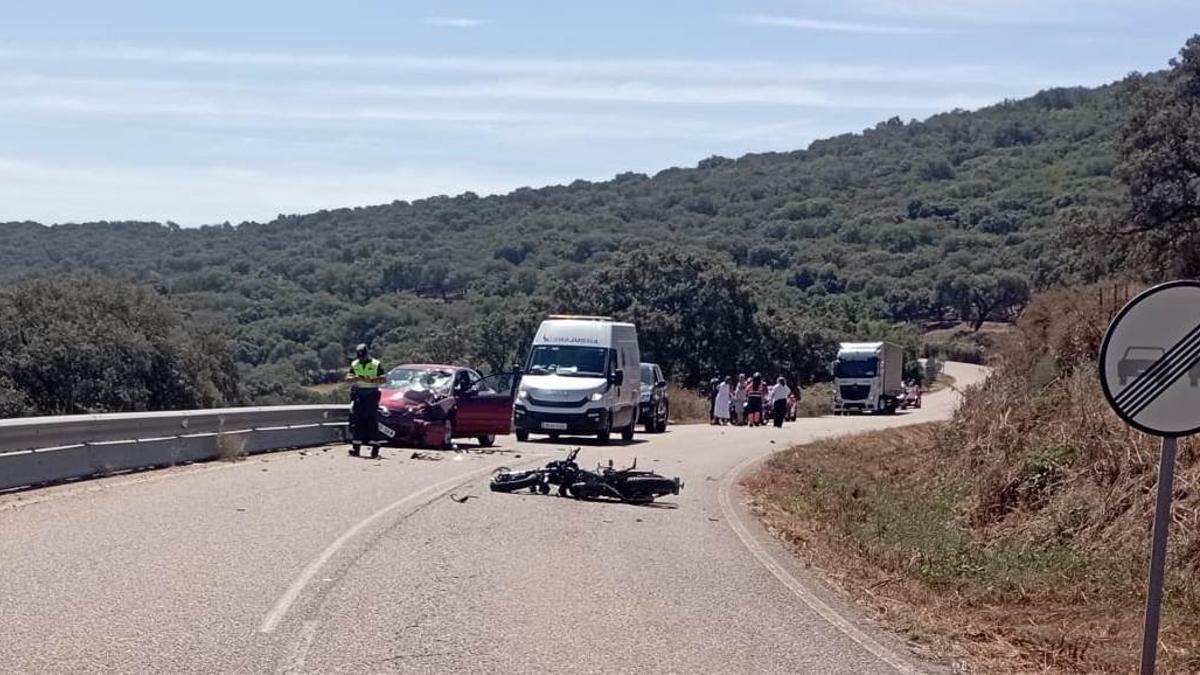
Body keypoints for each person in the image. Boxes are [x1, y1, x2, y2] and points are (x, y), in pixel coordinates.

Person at [347, 343, 386, 458]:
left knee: (371, 420)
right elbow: (348, 378)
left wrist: (372, 380)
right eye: (359, 356)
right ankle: (356, 448)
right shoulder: (355, 364)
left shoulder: (375, 364)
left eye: (363, 356)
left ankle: (375, 448)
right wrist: (354, 378)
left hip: (372, 394)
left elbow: (383, 378)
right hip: (359, 394)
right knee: (357, 420)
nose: (361, 358)